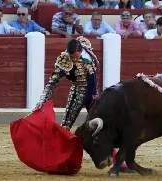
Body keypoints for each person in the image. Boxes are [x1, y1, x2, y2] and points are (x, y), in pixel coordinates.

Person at [33, 36, 133, 173]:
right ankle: (58, 160)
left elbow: (93, 80)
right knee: (65, 126)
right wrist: (42, 100)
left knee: (102, 128)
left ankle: (119, 163)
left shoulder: (86, 54)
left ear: (81, 51)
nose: (74, 60)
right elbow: (52, 82)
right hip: (77, 93)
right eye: (72, 57)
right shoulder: (64, 59)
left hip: (92, 94)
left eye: (76, 56)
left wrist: (95, 98)